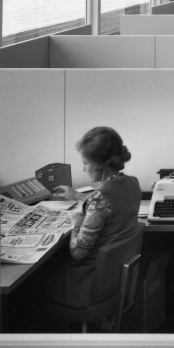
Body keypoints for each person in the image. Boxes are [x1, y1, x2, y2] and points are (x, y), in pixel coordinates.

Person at [44, 126, 141, 309]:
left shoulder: (100, 197)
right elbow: (108, 203)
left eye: (85, 163)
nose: (83, 168)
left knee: (32, 278)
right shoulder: (132, 183)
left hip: (86, 284)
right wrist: (75, 195)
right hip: (113, 278)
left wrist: (77, 223)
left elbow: (78, 253)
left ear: (100, 164)